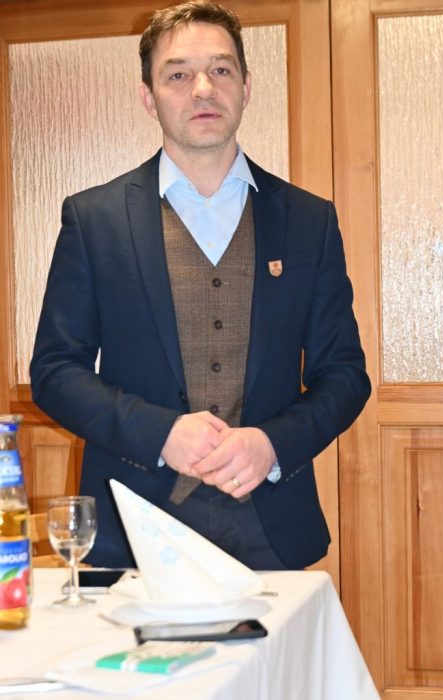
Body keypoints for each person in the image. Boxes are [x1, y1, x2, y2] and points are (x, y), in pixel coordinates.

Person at [30, 0, 371, 570]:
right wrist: (161, 434)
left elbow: (345, 375)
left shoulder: (310, 221)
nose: (203, 89)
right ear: (149, 97)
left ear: (246, 87)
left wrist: (273, 445)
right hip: (133, 529)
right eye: (178, 75)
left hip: (272, 532)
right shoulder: (94, 220)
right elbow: (54, 372)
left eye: (220, 69)